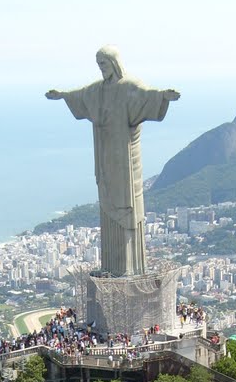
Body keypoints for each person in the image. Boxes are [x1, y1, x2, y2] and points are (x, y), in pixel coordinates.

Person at [46, 46, 179, 277]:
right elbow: (80, 96)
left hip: (126, 160)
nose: (101, 69)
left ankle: (130, 268)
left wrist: (163, 96)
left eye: (104, 64)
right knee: (107, 202)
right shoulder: (97, 91)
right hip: (106, 156)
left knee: (127, 204)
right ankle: (111, 267)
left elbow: (147, 96)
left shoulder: (129, 87)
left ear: (115, 63)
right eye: (99, 65)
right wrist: (63, 95)